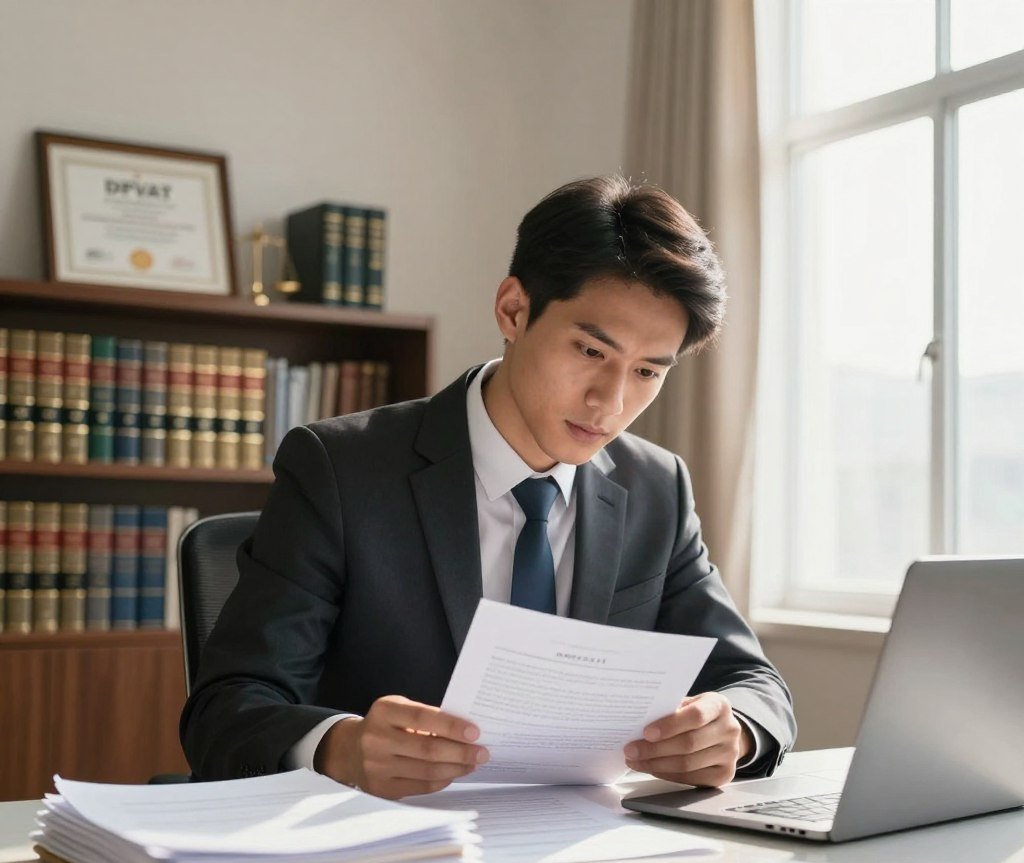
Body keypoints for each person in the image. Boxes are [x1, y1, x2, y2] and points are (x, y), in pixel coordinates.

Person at [180, 174, 795, 799]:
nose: (610, 402)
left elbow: (753, 682)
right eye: (589, 351)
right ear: (513, 309)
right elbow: (226, 709)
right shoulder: (340, 469)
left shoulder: (657, 486)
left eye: (644, 372)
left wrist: (734, 729)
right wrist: (338, 746)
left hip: (586, 854)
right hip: (384, 852)